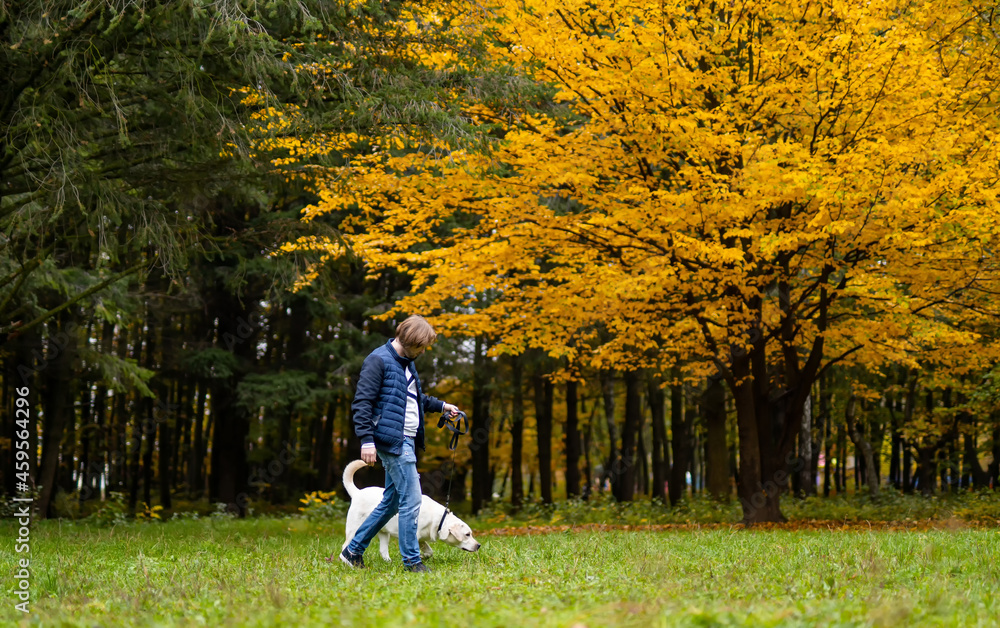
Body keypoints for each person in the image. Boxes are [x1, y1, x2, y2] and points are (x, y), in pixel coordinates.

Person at [338, 315, 459, 573]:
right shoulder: (378, 360)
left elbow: (413, 398)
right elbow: (362, 403)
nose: (423, 352)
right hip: (393, 441)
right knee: (412, 501)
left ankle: (352, 550)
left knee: (392, 501)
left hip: (407, 439)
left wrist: (441, 406)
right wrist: (367, 440)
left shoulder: (406, 363)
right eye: (421, 347)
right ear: (409, 341)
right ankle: (412, 561)